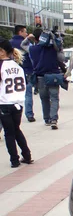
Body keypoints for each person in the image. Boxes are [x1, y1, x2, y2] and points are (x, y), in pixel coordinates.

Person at [0, 38, 33, 168]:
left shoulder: (1, 65)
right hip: (18, 103)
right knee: (16, 129)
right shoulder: (18, 66)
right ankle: (27, 154)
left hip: (4, 103)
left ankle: (14, 159)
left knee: (9, 132)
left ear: (2, 52)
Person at [28, 28, 62, 129]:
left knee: (44, 99)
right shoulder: (52, 48)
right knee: (54, 98)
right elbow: (59, 47)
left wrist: (28, 38)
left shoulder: (33, 49)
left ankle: (47, 119)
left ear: (35, 38)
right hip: (53, 75)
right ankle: (54, 119)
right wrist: (53, 36)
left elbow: (23, 45)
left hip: (40, 76)